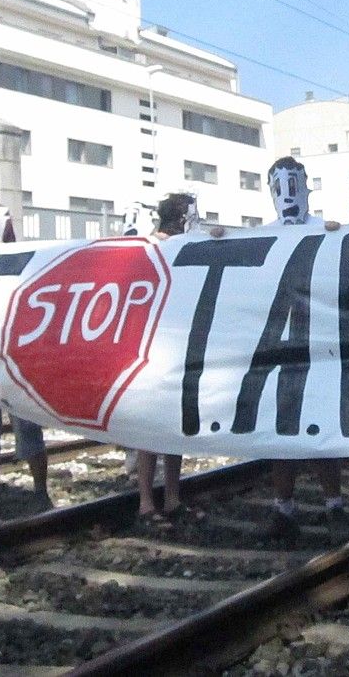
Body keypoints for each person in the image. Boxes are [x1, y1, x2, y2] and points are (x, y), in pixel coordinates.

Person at [262, 157, 346, 541]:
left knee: (319, 427)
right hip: (280, 348)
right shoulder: (264, 234)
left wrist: (341, 235)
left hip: (318, 345)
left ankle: (333, 502)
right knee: (282, 431)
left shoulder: (326, 229)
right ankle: (284, 506)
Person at [0, 203, 52, 528]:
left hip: (7, 360)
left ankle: (35, 493)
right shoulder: (15, 261)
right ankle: (12, 495)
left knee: (16, 428)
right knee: (0, 430)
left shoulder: (9, 261)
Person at [133, 193, 200, 522]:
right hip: (158, 347)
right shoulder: (160, 248)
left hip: (165, 346)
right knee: (154, 430)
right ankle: (152, 500)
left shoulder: (153, 246)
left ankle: (166, 498)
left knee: (170, 428)